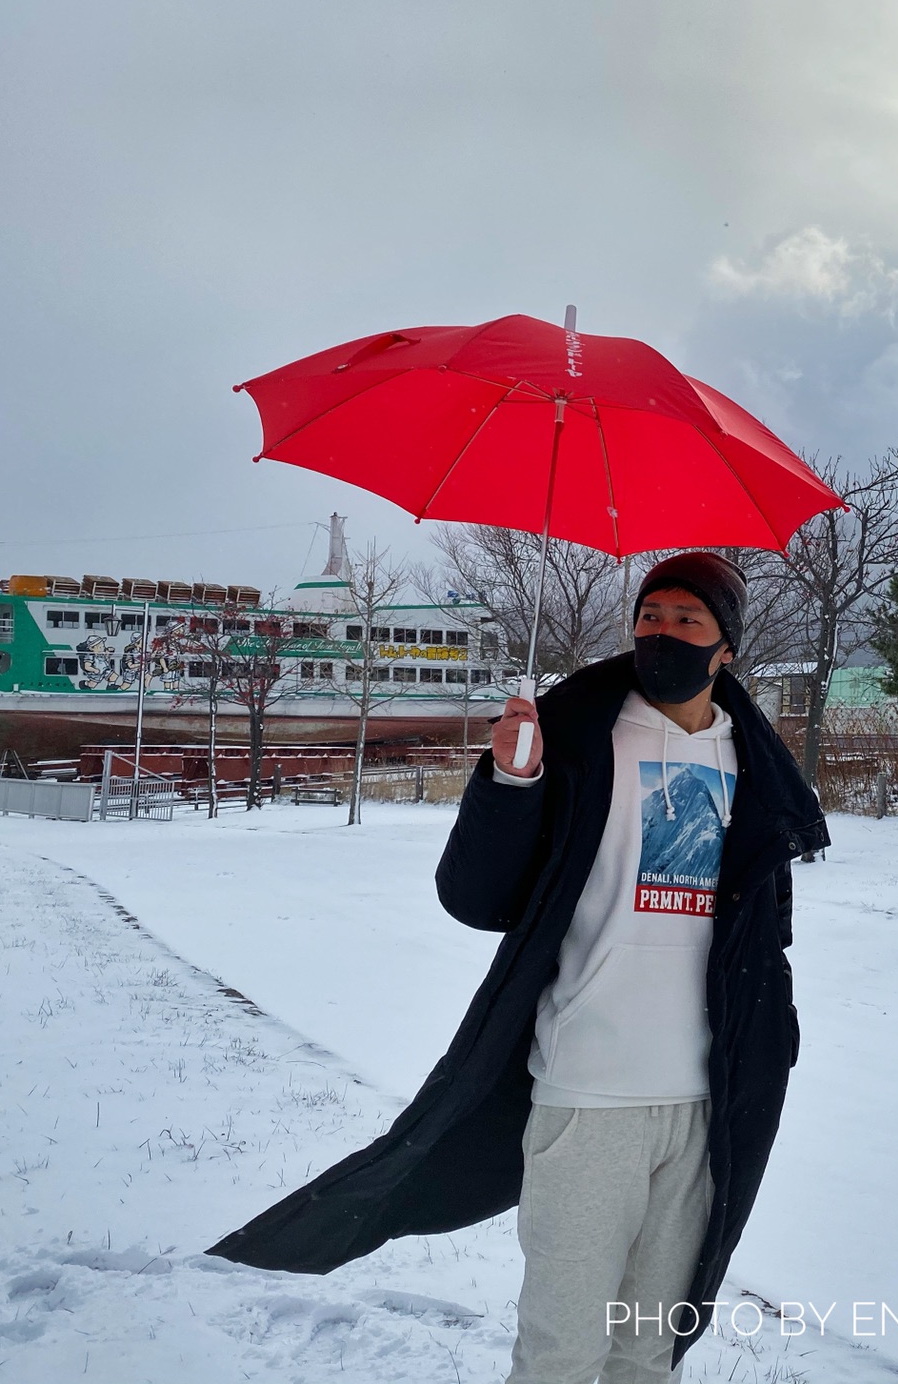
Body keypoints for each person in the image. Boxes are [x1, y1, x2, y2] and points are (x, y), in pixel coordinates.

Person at [209, 551, 829, 1384]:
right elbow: (477, 896)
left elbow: (766, 932)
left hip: (704, 1101)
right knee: (561, 1352)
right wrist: (511, 780)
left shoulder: (755, 768)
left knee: (650, 1352)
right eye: (649, 616)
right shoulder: (572, 731)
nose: (662, 634)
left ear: (726, 649)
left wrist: (774, 1039)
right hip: (587, 1093)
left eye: (688, 621)